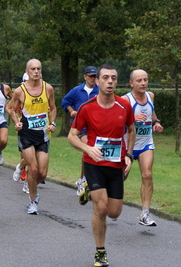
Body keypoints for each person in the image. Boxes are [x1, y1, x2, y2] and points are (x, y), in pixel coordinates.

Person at [68, 64, 136, 267]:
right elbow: (72, 137)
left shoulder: (124, 106)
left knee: (114, 212)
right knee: (101, 207)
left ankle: (91, 189)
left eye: (114, 78)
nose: (110, 82)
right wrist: (87, 149)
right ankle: (100, 251)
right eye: (105, 78)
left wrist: (129, 156)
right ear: (97, 81)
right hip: (94, 163)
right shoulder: (86, 108)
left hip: (116, 164)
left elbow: (131, 130)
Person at [7, 58, 57, 215]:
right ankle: (33, 201)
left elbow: (53, 108)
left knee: (42, 174)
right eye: (33, 69)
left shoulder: (48, 88)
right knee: (33, 169)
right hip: (27, 133)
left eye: (38, 69)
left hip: (43, 134)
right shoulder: (20, 91)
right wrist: (16, 122)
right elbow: (10, 108)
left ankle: (33, 187)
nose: (36, 71)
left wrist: (53, 123)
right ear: (27, 71)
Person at [122, 69, 163, 227]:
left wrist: (156, 122)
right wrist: (131, 118)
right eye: (139, 80)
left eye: (145, 80)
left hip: (146, 143)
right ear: (131, 83)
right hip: (127, 146)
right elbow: (116, 119)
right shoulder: (126, 99)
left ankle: (145, 214)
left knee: (147, 175)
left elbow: (152, 114)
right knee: (120, 178)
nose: (143, 83)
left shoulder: (150, 96)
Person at [61, 66, 99, 203]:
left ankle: (86, 180)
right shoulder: (77, 91)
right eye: (90, 76)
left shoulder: (99, 91)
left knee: (91, 152)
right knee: (88, 148)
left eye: (95, 76)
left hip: (95, 127)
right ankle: (83, 181)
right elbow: (64, 102)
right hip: (80, 127)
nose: (92, 78)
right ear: (84, 77)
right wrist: (71, 111)